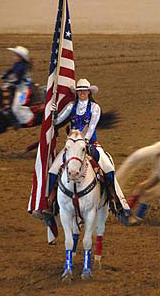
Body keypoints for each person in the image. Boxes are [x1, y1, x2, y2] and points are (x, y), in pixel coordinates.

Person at [45, 78, 131, 223]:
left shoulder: (95, 108)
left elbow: (91, 127)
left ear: (89, 92)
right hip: (72, 147)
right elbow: (57, 122)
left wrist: (83, 143)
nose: (82, 93)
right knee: (53, 170)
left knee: (108, 167)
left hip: (90, 144)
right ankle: (50, 204)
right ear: (77, 92)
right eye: (80, 91)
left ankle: (115, 200)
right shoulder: (71, 106)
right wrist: (52, 113)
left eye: (84, 91)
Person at [0, 46, 34, 127]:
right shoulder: (17, 64)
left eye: (16, 55)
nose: (14, 56)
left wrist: (10, 82)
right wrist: (4, 75)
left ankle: (27, 118)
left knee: (17, 106)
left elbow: (18, 80)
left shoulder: (23, 67)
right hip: (20, 86)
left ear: (21, 57)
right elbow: (11, 70)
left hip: (24, 89)